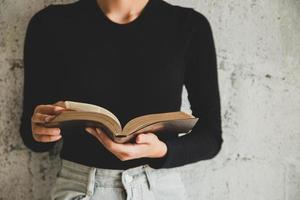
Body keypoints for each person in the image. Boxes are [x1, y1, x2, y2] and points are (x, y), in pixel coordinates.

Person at [20, 0, 223, 199]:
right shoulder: (50, 24)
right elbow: (33, 138)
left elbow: (211, 137)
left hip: (158, 188)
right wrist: (40, 130)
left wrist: (162, 150)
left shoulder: (189, 25)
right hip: (81, 187)